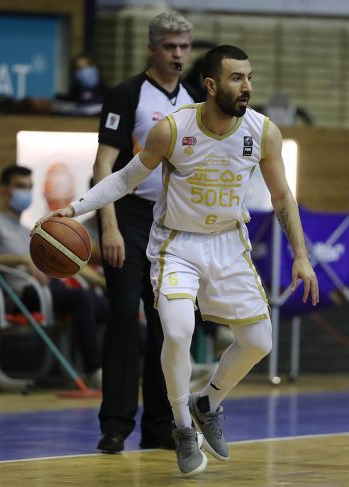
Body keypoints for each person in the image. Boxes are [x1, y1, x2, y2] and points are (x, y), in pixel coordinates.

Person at [37, 44, 319, 477]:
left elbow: (282, 197)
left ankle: (208, 402)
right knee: (177, 330)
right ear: (211, 85)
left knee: (259, 341)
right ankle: (183, 428)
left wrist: (301, 255)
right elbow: (125, 179)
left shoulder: (263, 132)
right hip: (178, 243)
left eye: (249, 77)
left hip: (228, 243)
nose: (246, 86)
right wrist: (75, 210)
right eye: (236, 78)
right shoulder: (172, 129)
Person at [89, 11, 204, 455]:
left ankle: (160, 425)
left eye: (184, 47)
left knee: (168, 323)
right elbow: (103, 164)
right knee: (123, 315)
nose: (178, 54)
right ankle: (115, 425)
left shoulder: (196, 99)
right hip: (129, 215)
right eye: (170, 46)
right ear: (152, 48)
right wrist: (109, 225)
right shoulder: (127, 94)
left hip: (172, 222)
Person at [0, 165, 109, 387]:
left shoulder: (26, 230)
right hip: (18, 294)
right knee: (82, 299)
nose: (26, 192)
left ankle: (136, 362)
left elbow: (68, 263)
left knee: (109, 307)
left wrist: (101, 282)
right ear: (4, 190)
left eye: (29, 187)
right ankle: (94, 370)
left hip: (46, 289)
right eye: (20, 186)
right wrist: (22, 259)